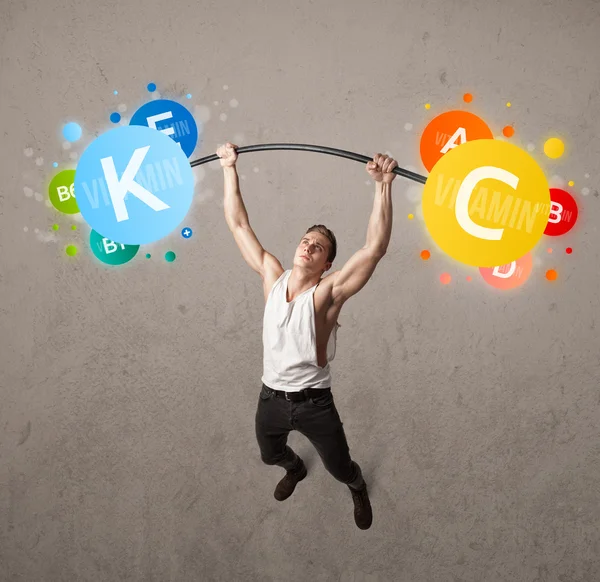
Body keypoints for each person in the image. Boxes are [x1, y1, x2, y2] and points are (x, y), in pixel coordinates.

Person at [217, 141, 397, 530]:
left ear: (326, 263)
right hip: (270, 397)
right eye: (306, 240)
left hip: (315, 405)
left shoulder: (327, 296)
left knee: (339, 466)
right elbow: (238, 224)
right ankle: (295, 468)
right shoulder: (271, 276)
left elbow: (374, 248)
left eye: (319, 247)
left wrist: (383, 186)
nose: (309, 246)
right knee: (269, 455)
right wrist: (229, 168)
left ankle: (357, 483)